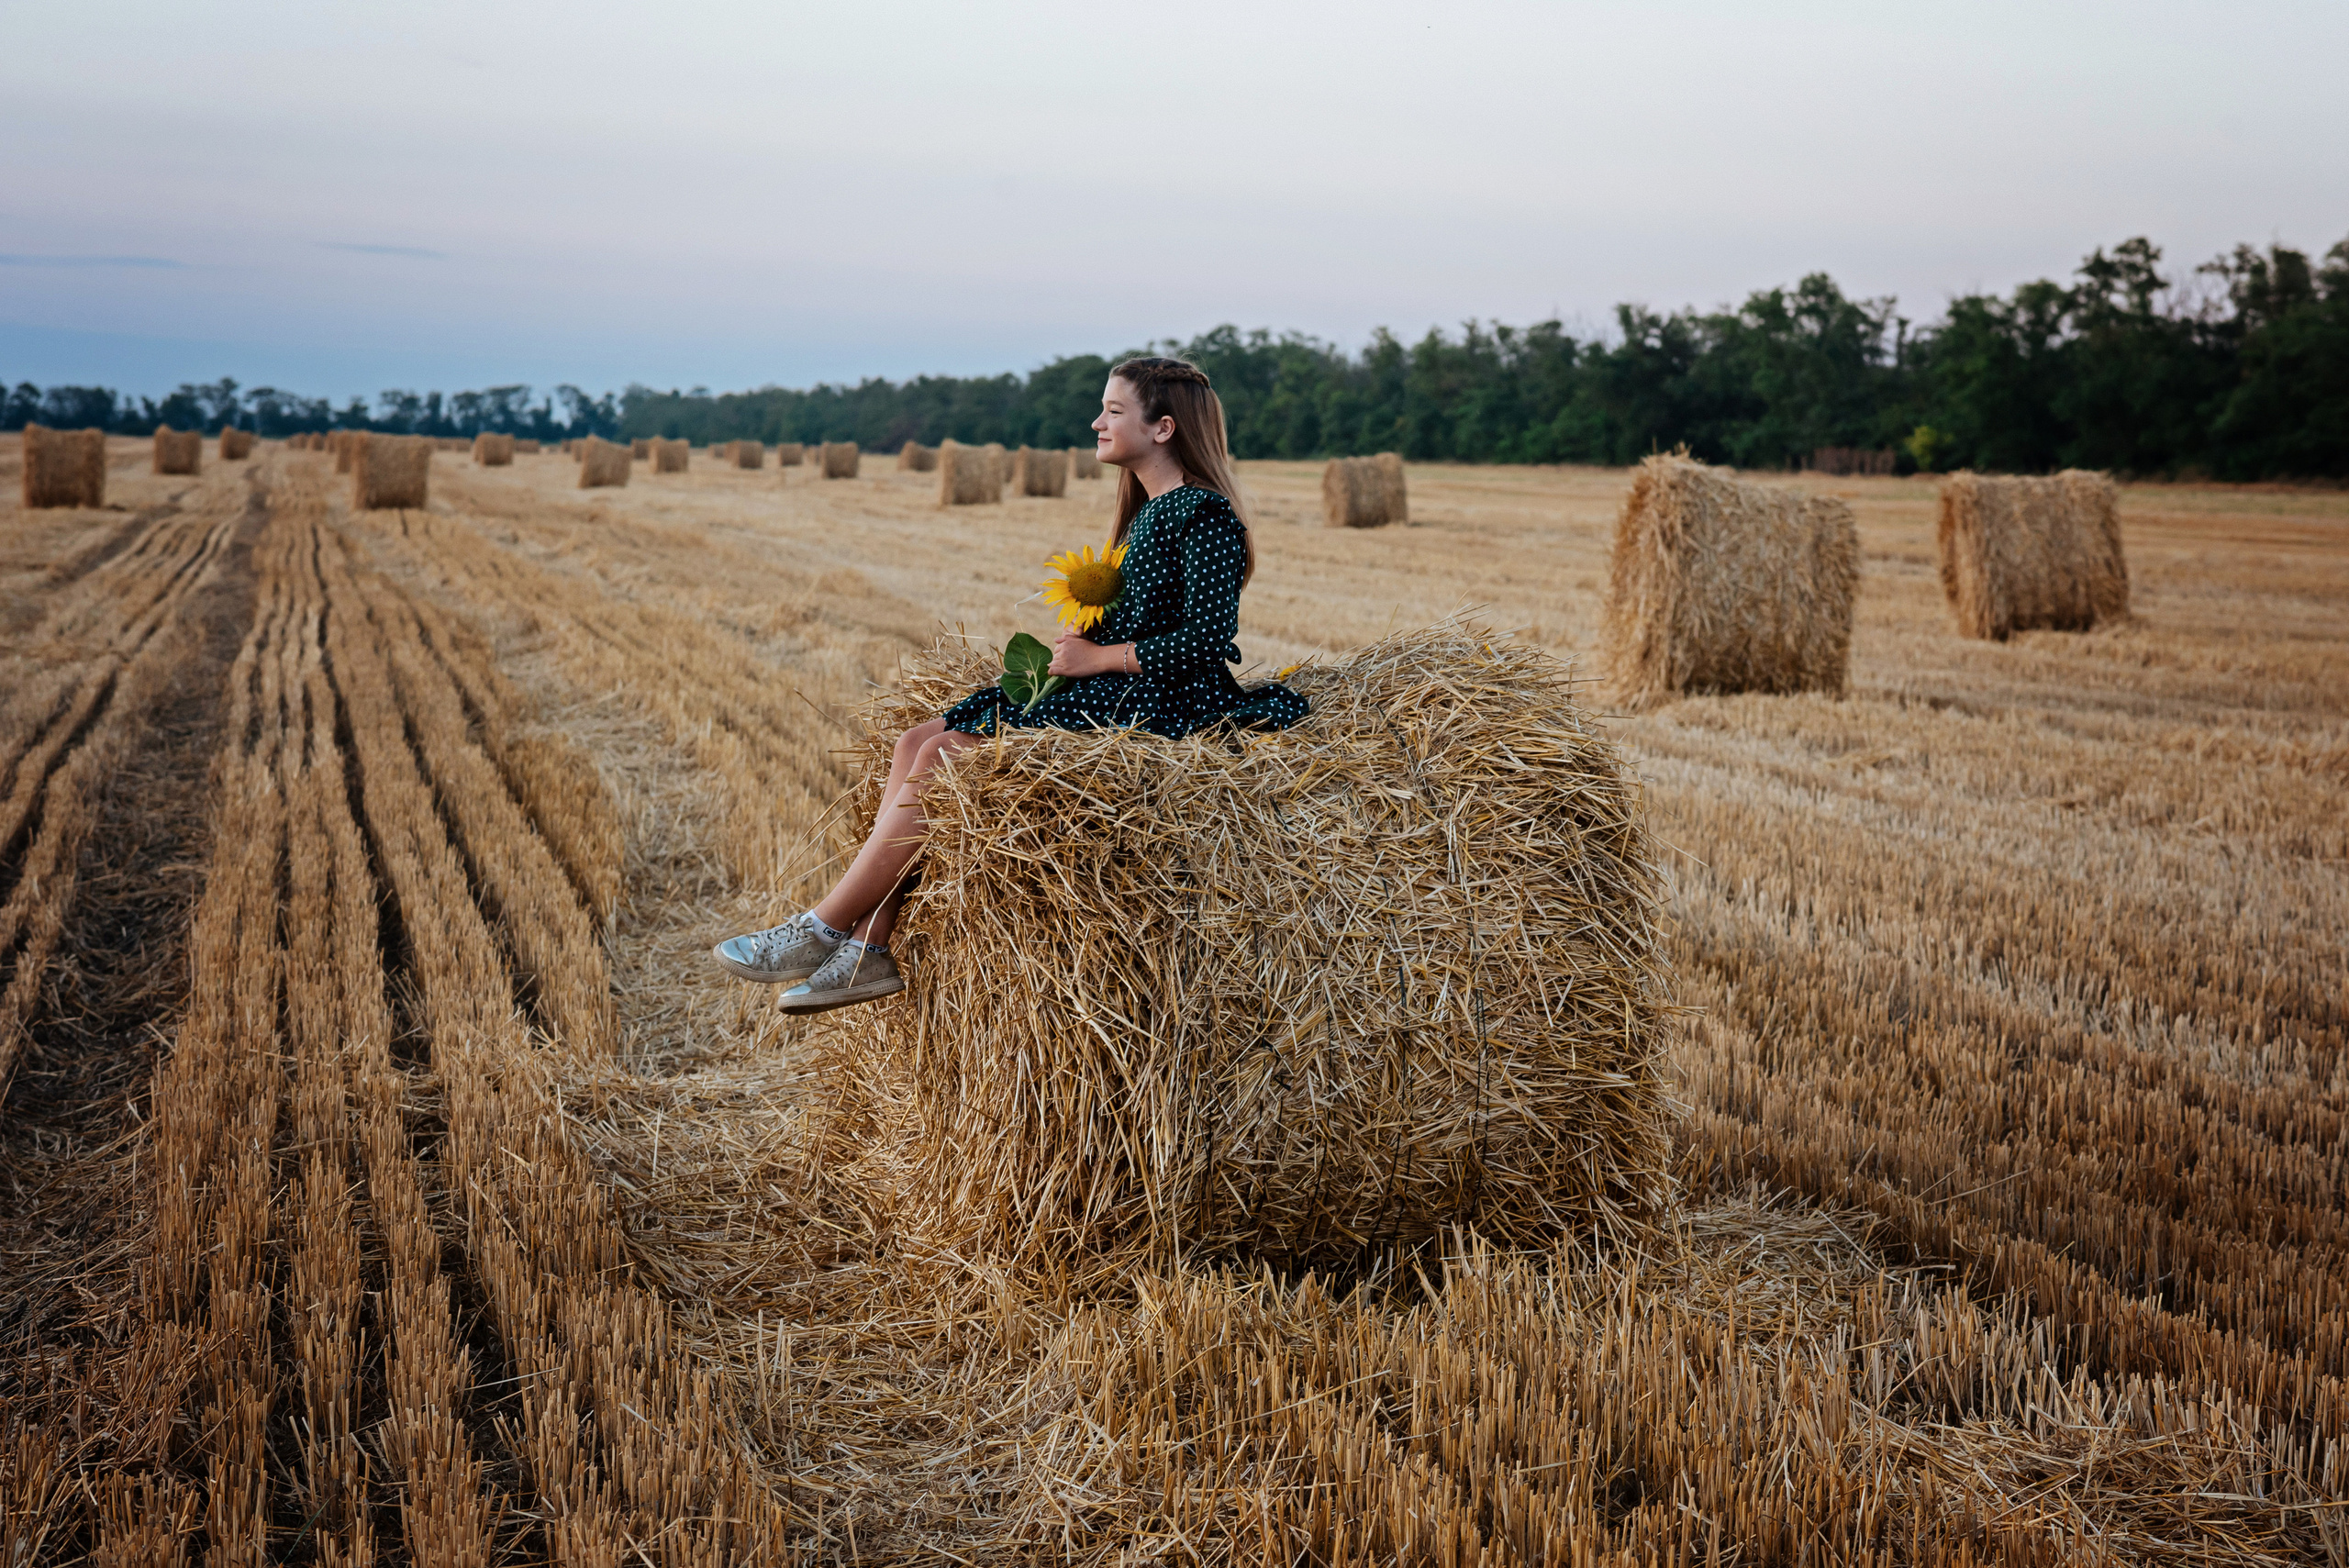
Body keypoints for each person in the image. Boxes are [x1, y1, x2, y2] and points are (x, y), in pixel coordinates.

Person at [711, 356, 1308, 1014]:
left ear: (1163, 427)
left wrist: (1097, 658)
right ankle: (869, 946)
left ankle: (820, 928)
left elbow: (1207, 639)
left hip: (1167, 700)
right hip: (1120, 686)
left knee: (944, 758)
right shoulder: (1148, 514)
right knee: (916, 739)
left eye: (1113, 410)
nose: (1096, 422)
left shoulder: (1205, 515)